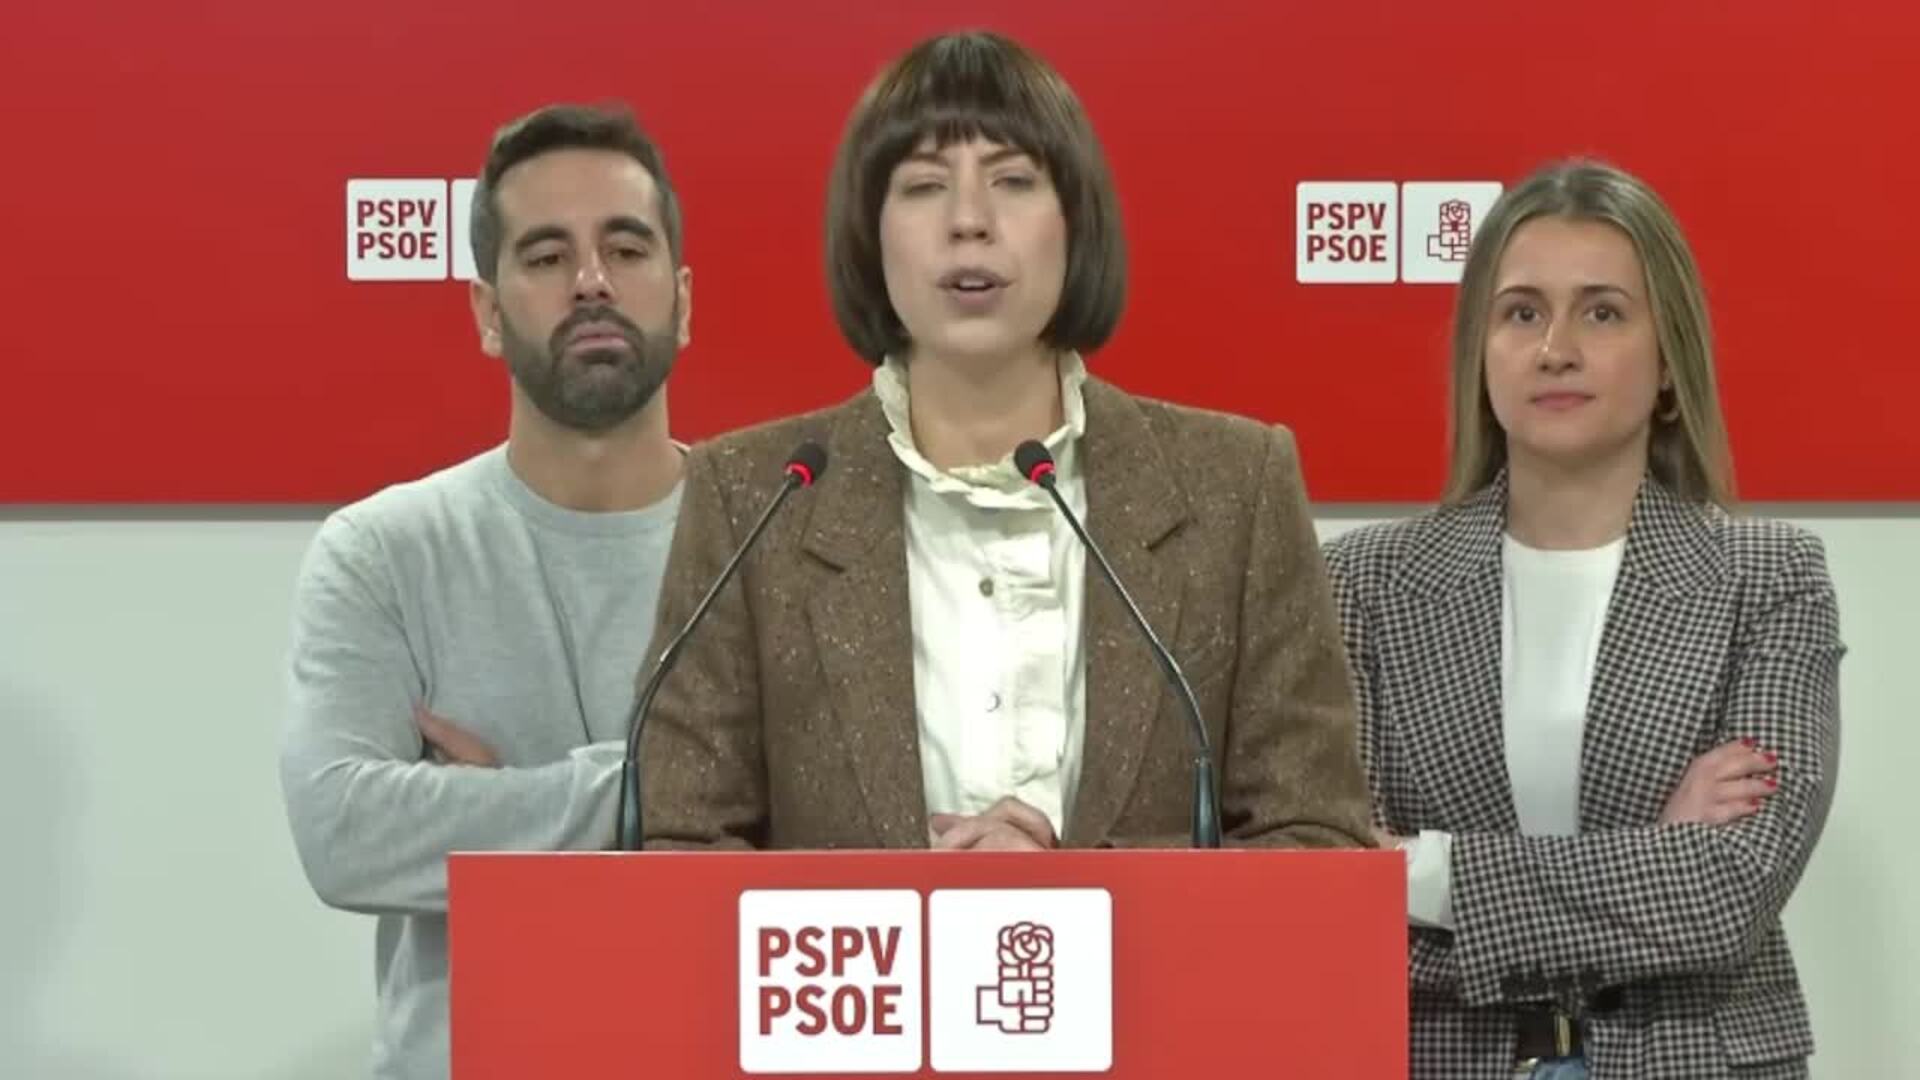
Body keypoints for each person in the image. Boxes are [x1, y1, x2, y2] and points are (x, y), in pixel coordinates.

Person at [638, 30, 1371, 852]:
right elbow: (678, 840)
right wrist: (902, 909)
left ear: (1076, 222)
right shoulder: (754, 495)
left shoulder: (1236, 487)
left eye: (1013, 181)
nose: (969, 222)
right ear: (870, 234)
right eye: (924, 186)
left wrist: (1073, 892)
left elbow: (1318, 838)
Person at [1324, 160, 1843, 1079]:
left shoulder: (1769, 579)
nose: (1555, 348)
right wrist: (1656, 854)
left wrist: (1431, 872)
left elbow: (1729, 894)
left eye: (1602, 313)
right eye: (1522, 313)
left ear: (1669, 361)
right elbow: (1334, 892)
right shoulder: (1363, 583)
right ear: (1481, 354)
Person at [280, 102, 692, 1079]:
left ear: (683, 299)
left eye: (625, 248)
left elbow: (847, 815)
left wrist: (487, 811)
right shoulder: (381, 552)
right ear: (487, 313)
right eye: (546, 256)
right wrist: (669, 791)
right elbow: (344, 833)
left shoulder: (779, 534)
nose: (591, 282)